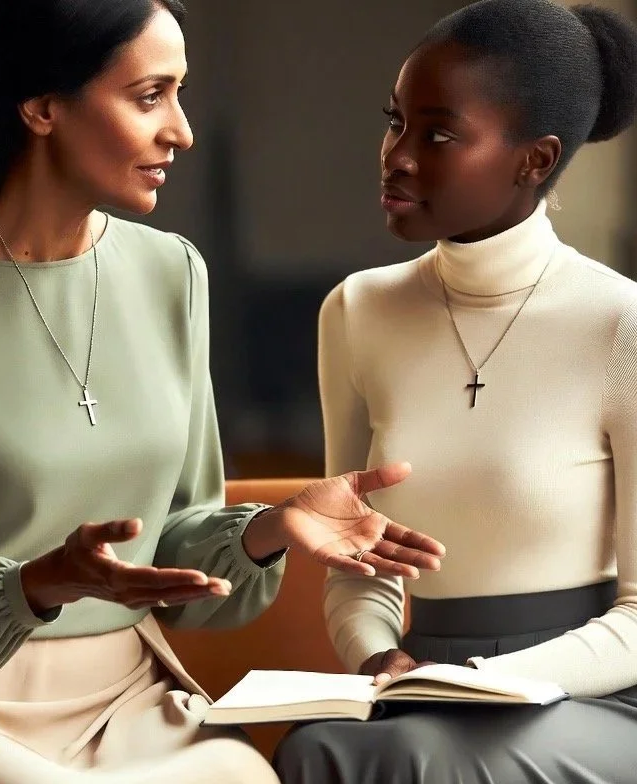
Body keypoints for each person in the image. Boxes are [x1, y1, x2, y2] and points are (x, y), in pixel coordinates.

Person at [0, 2, 447, 783]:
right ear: (42, 108)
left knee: (241, 774)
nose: (182, 130)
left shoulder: (172, 272)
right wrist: (40, 581)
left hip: (131, 698)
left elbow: (183, 550)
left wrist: (275, 527)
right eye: (148, 96)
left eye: (181, 93)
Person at [272, 1, 637, 782]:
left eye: (437, 134)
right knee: (318, 750)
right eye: (394, 122)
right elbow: (356, 560)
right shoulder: (356, 310)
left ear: (533, 160)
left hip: (594, 696)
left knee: (404, 760)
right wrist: (380, 658)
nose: (396, 156)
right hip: (419, 693)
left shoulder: (620, 324)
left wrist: (486, 685)